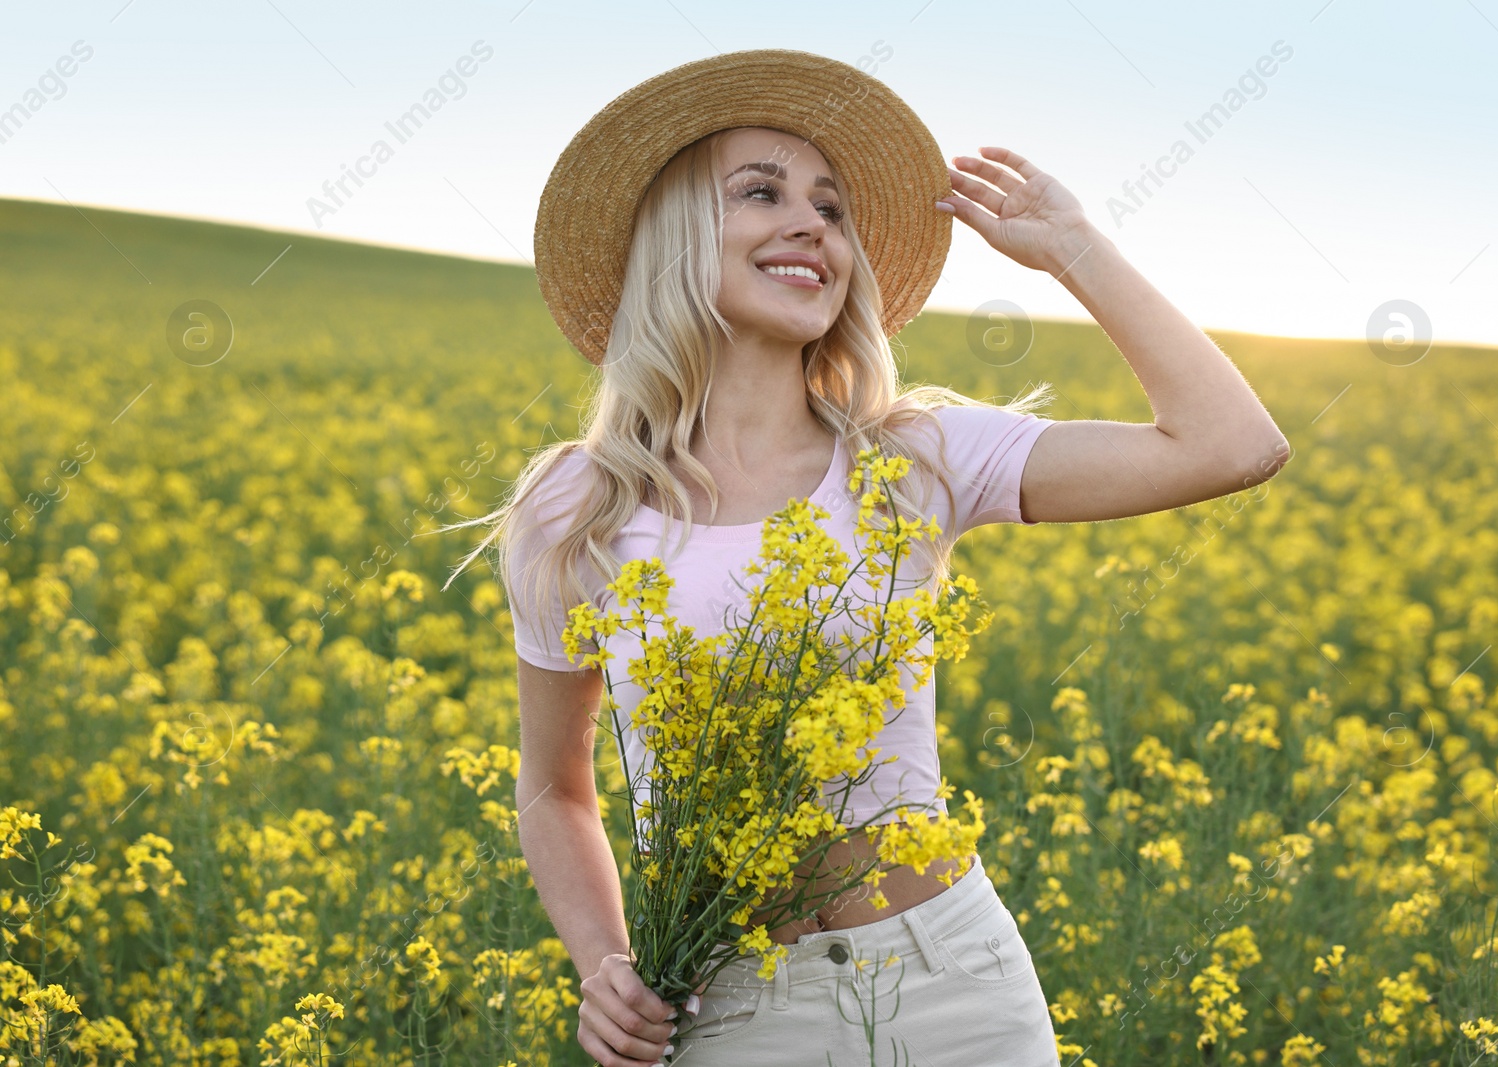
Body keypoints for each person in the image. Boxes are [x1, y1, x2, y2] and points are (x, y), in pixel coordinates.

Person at [449, 48, 1289, 1067]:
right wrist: (603, 963)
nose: (812, 224)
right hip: (723, 1003)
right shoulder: (575, 509)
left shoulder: (913, 457)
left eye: (834, 209)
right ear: (670, 239)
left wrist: (1073, 248)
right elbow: (554, 784)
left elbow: (1233, 445)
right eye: (761, 191)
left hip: (951, 986)